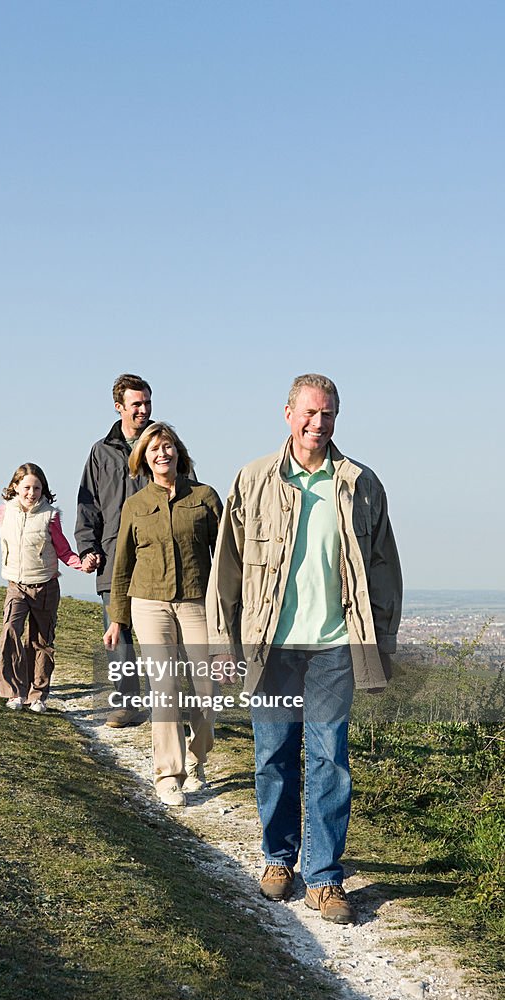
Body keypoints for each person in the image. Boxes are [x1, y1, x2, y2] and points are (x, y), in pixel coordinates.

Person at [206, 373, 402, 924]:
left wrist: (380, 643)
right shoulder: (253, 479)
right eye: (311, 413)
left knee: (329, 761)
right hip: (272, 646)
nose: (319, 424)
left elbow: (384, 569)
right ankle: (277, 859)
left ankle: (323, 878)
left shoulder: (362, 483)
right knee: (272, 757)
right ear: (287, 413)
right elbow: (228, 567)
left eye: (330, 415)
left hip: (335, 646)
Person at [104, 423, 222, 807]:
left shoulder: (205, 497)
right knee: (165, 687)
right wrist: (117, 619)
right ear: (143, 458)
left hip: (197, 602)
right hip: (148, 603)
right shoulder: (135, 505)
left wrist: (231, 611)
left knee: (208, 690)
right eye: (153, 449)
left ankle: (196, 757)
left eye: (167, 446)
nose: (161, 454)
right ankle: (168, 774)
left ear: (178, 452)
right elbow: (122, 565)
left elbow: (226, 560)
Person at [0, 463, 94, 712]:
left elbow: (64, 550)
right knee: (11, 632)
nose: (31, 493)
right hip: (17, 585)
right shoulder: (5, 512)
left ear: (43, 489)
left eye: (37, 488)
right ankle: (14, 692)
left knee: (41, 640)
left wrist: (83, 565)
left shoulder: (50, 516)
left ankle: (37, 696)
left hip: (46, 585)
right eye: (26, 487)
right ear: (15, 487)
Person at [75, 373, 154, 727]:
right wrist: (88, 548)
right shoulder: (100, 452)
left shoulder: (160, 444)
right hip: (111, 556)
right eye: (136, 404)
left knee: (159, 634)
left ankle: (167, 704)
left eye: (147, 402)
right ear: (118, 407)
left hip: (154, 555)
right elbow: (87, 506)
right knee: (117, 634)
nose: (143, 409)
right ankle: (128, 704)